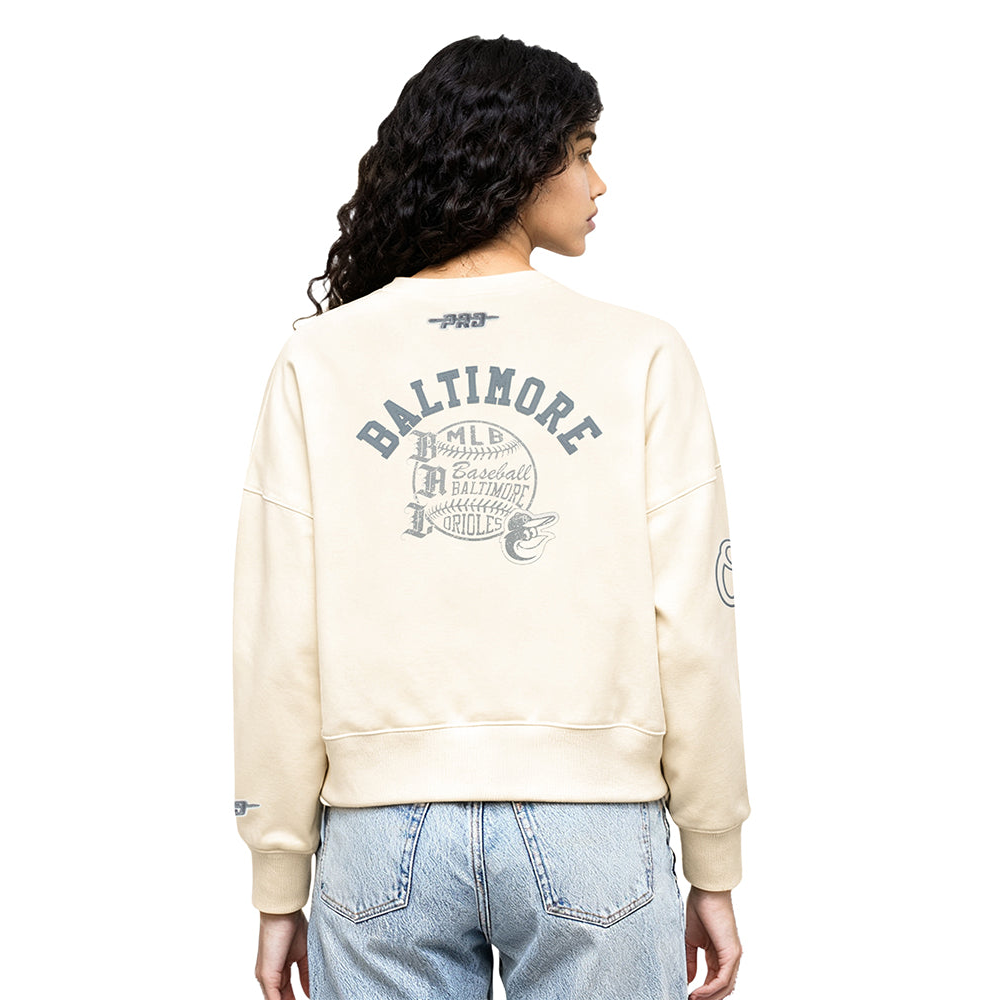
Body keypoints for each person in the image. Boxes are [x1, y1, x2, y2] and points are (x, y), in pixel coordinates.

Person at [233, 35, 750, 1000]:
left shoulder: (322, 359)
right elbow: (695, 628)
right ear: (517, 160)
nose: (599, 182)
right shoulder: (639, 353)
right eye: (582, 152)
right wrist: (713, 856)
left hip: (378, 836)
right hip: (595, 825)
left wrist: (277, 876)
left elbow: (277, 639)